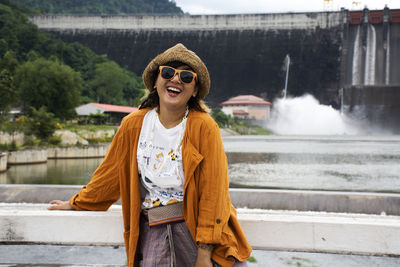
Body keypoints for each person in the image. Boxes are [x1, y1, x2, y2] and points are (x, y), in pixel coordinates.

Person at [48, 43, 252, 267]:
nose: (175, 80)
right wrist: (76, 203)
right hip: (153, 232)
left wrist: (204, 252)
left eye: (186, 76)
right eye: (167, 73)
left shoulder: (204, 127)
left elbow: (215, 192)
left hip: (196, 235)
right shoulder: (134, 125)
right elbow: (110, 176)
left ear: (194, 90)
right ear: (156, 81)